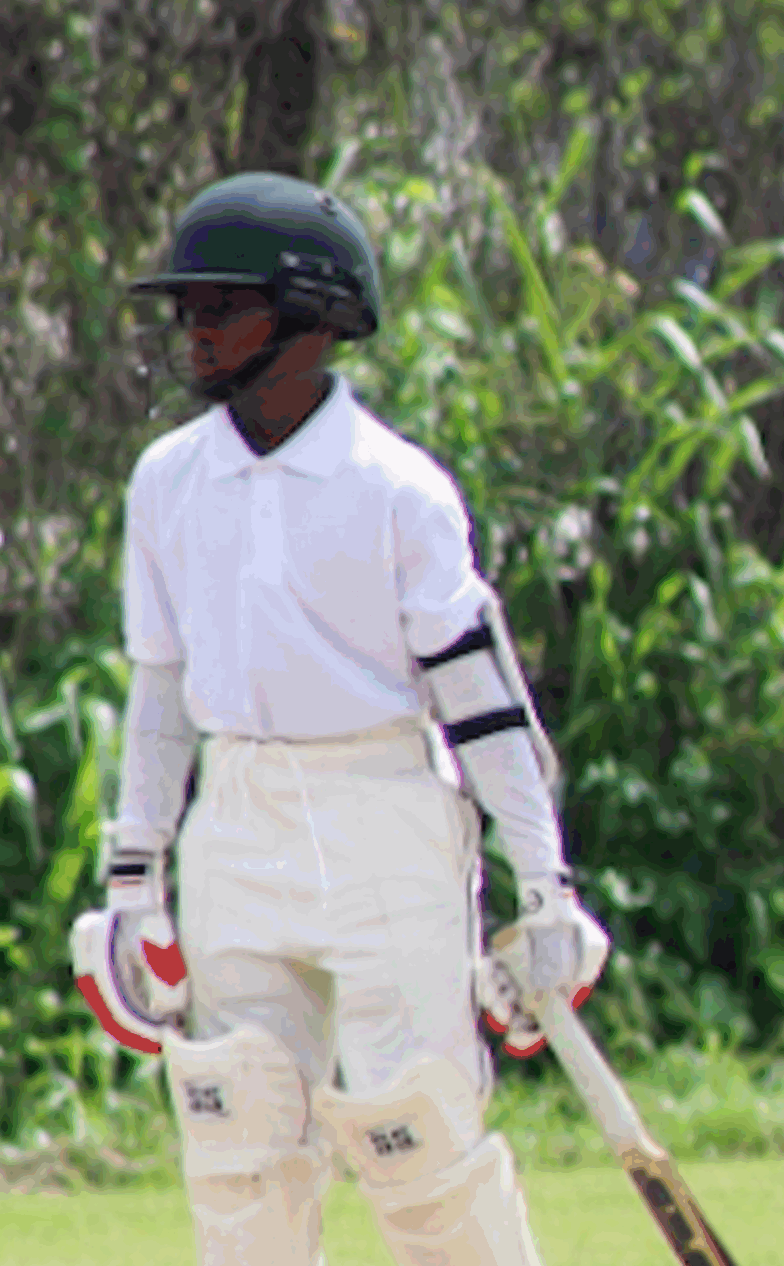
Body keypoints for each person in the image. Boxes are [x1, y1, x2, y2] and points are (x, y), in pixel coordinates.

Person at [69, 171, 610, 1266]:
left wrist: (545, 885)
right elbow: (161, 693)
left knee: (421, 1149)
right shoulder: (166, 481)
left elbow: (483, 705)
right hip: (239, 817)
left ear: (314, 316)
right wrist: (136, 880)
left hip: (385, 815)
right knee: (240, 1152)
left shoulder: (397, 488)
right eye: (188, 310)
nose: (196, 332)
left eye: (223, 306)